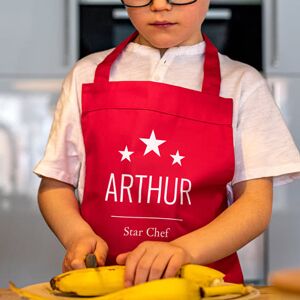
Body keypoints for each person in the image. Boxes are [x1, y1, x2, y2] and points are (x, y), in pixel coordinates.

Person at [34, 0, 300, 287]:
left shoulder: (243, 84)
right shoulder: (85, 76)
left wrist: (184, 250)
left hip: (202, 288)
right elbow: (55, 185)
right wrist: (76, 235)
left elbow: (255, 204)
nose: (159, 5)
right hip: (103, 286)